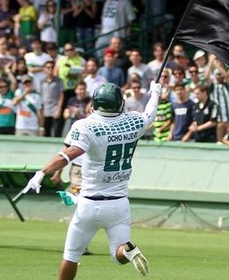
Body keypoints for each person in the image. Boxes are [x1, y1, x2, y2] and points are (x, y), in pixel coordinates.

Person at [21, 81, 161, 279]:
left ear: (95, 104)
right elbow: (150, 113)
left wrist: (42, 173)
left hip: (90, 202)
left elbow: (67, 155)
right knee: (117, 254)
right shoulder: (134, 121)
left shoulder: (87, 126)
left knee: (71, 256)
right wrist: (155, 92)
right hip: (119, 203)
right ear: (120, 104)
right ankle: (128, 250)